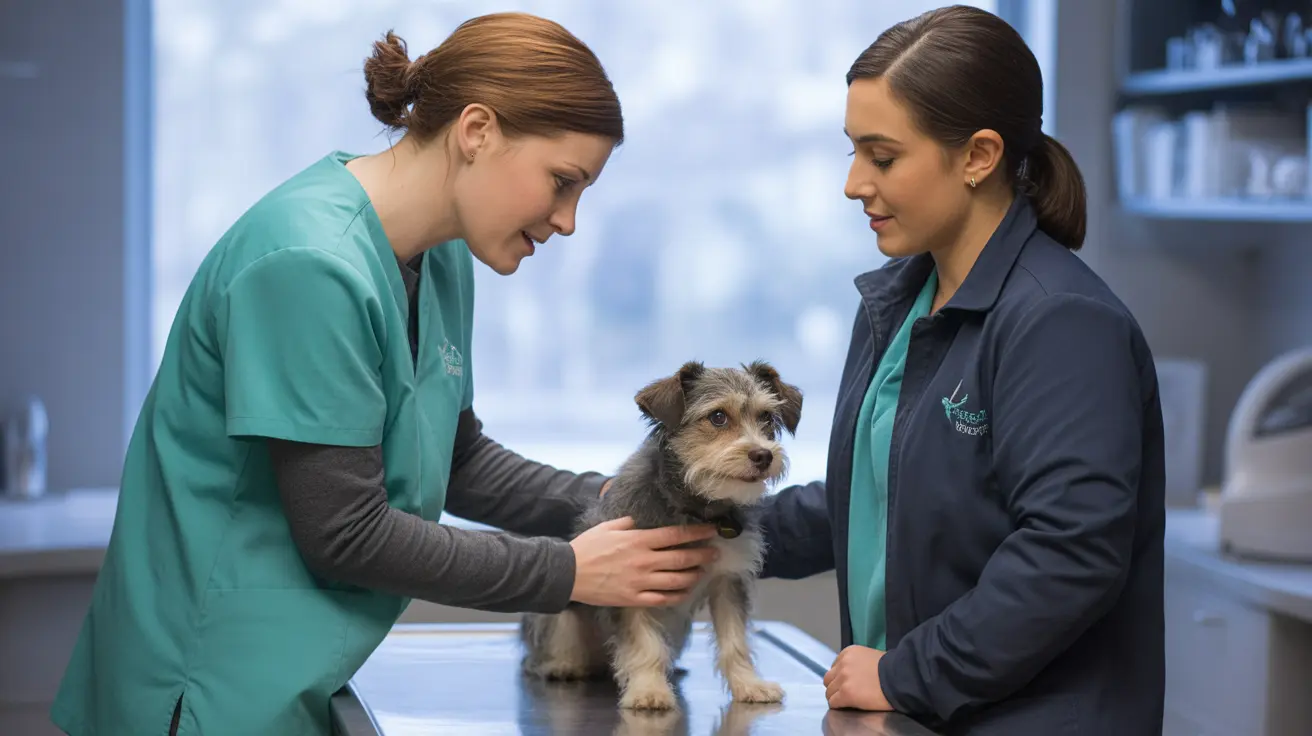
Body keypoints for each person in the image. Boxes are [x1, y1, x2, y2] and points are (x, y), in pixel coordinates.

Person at [49, 13, 721, 736]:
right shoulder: (308, 264)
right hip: (206, 685)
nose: (568, 221)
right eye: (562, 182)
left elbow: (454, 458)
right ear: (476, 131)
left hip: (296, 675)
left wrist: (614, 498)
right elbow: (346, 531)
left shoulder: (442, 258)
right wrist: (569, 571)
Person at [757, 6, 1166, 735]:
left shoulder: (1059, 321)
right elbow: (881, 493)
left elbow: (1069, 555)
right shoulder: (900, 303)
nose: (854, 183)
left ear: (978, 156)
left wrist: (902, 672)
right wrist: (721, 529)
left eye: (882, 157)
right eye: (852, 152)